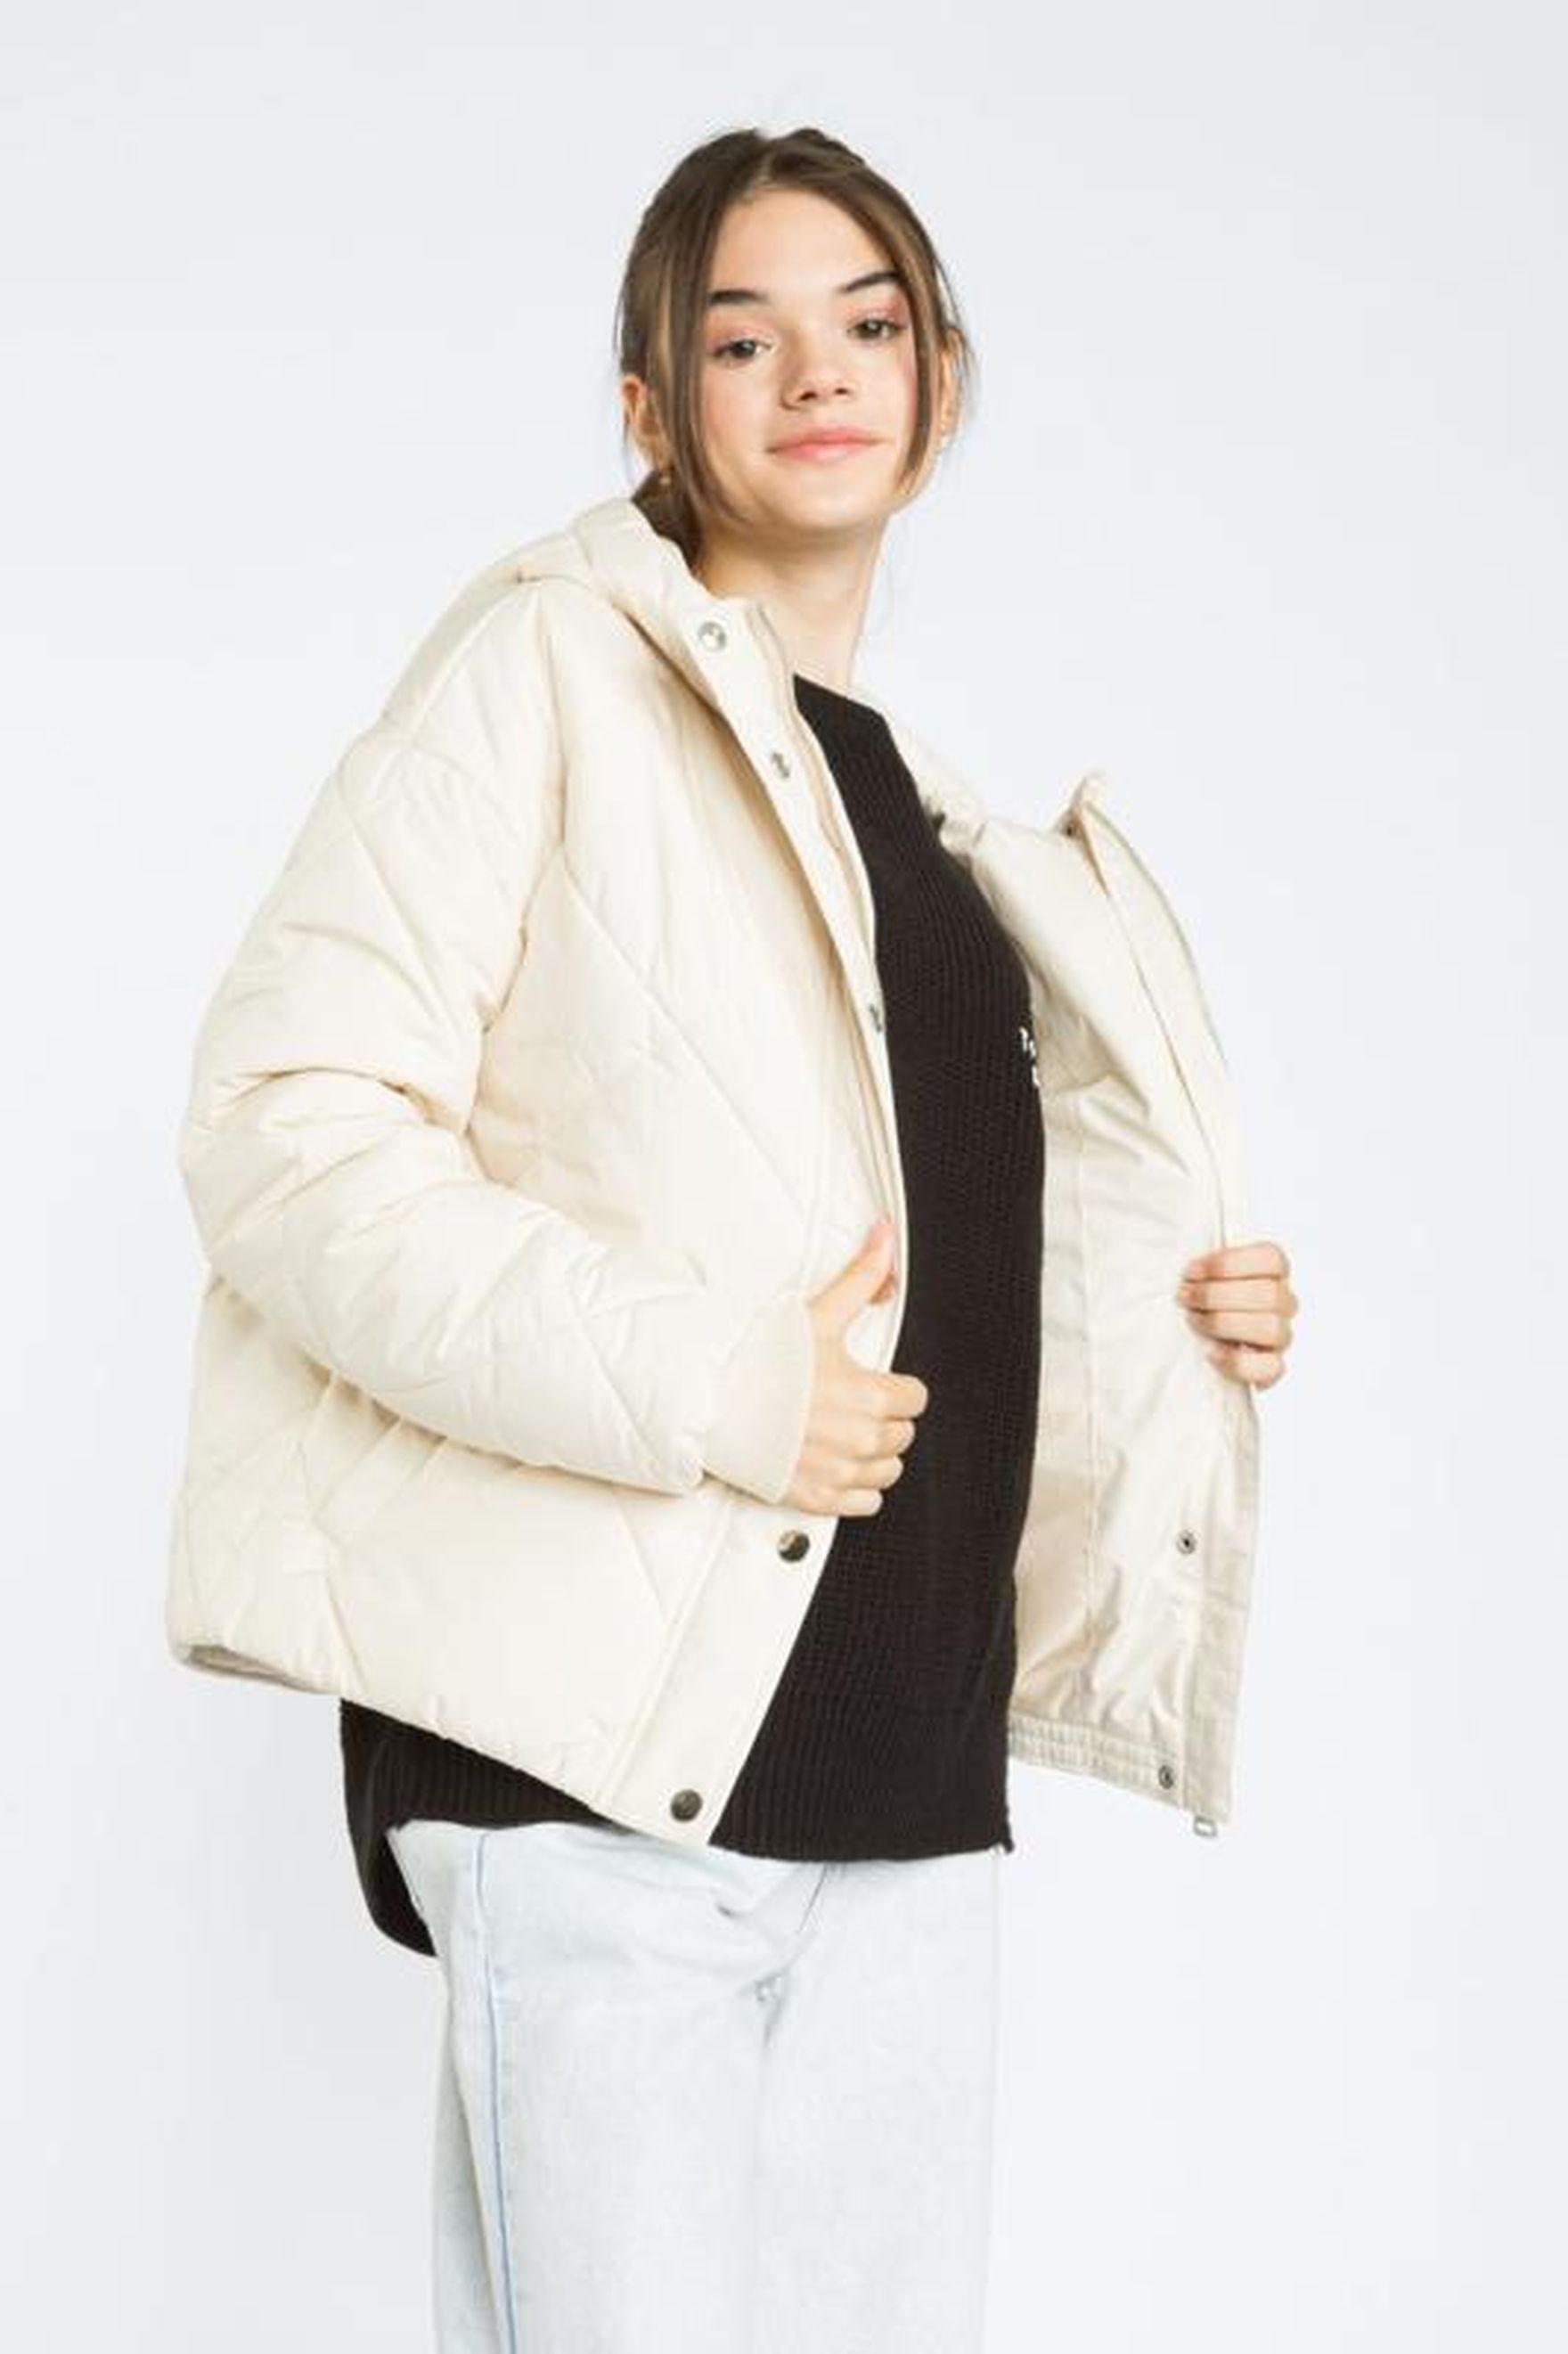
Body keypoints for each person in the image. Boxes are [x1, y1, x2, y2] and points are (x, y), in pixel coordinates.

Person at [167, 123, 1298, 2354]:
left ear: (942, 382)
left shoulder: (930, 824)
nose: (816, 373)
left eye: (868, 323)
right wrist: (720, 1386)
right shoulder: (541, 673)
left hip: (912, 1798)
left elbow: (919, 1239)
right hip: (604, 1777)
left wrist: (1181, 1309)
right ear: (646, 407)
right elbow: (283, 1135)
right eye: (741, 335)